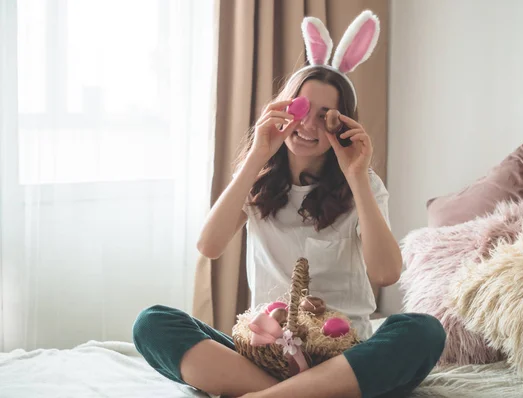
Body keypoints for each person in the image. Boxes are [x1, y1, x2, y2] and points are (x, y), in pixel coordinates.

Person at [133, 10, 445, 398]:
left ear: (342, 124)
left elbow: (385, 273)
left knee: (424, 331)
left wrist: (357, 176)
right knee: (152, 323)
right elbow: (209, 246)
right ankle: (295, 393)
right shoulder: (258, 180)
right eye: (300, 109)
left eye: (324, 117)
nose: (308, 126)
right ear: (283, 107)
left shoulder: (363, 185)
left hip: (343, 358)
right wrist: (257, 154)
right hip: (265, 354)